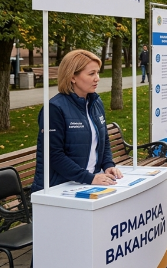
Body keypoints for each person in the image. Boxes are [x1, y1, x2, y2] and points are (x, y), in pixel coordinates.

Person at [32, 50, 123, 192]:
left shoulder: (95, 102)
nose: (97, 78)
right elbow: (54, 155)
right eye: (91, 73)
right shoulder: (54, 109)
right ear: (72, 77)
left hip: (87, 183)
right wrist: (89, 178)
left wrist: (108, 165)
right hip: (59, 188)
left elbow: (103, 140)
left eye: (98, 73)